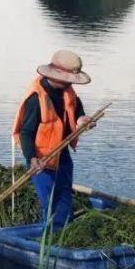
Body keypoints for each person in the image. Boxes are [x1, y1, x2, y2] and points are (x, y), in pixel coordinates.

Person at [12, 50, 95, 230]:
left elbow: (76, 108)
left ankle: (67, 230)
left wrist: (82, 120)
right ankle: (50, 237)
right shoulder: (36, 98)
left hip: (61, 151)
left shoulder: (66, 90)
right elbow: (26, 132)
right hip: (41, 158)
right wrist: (32, 159)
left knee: (65, 192)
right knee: (49, 199)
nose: (70, 83)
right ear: (56, 75)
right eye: (68, 79)